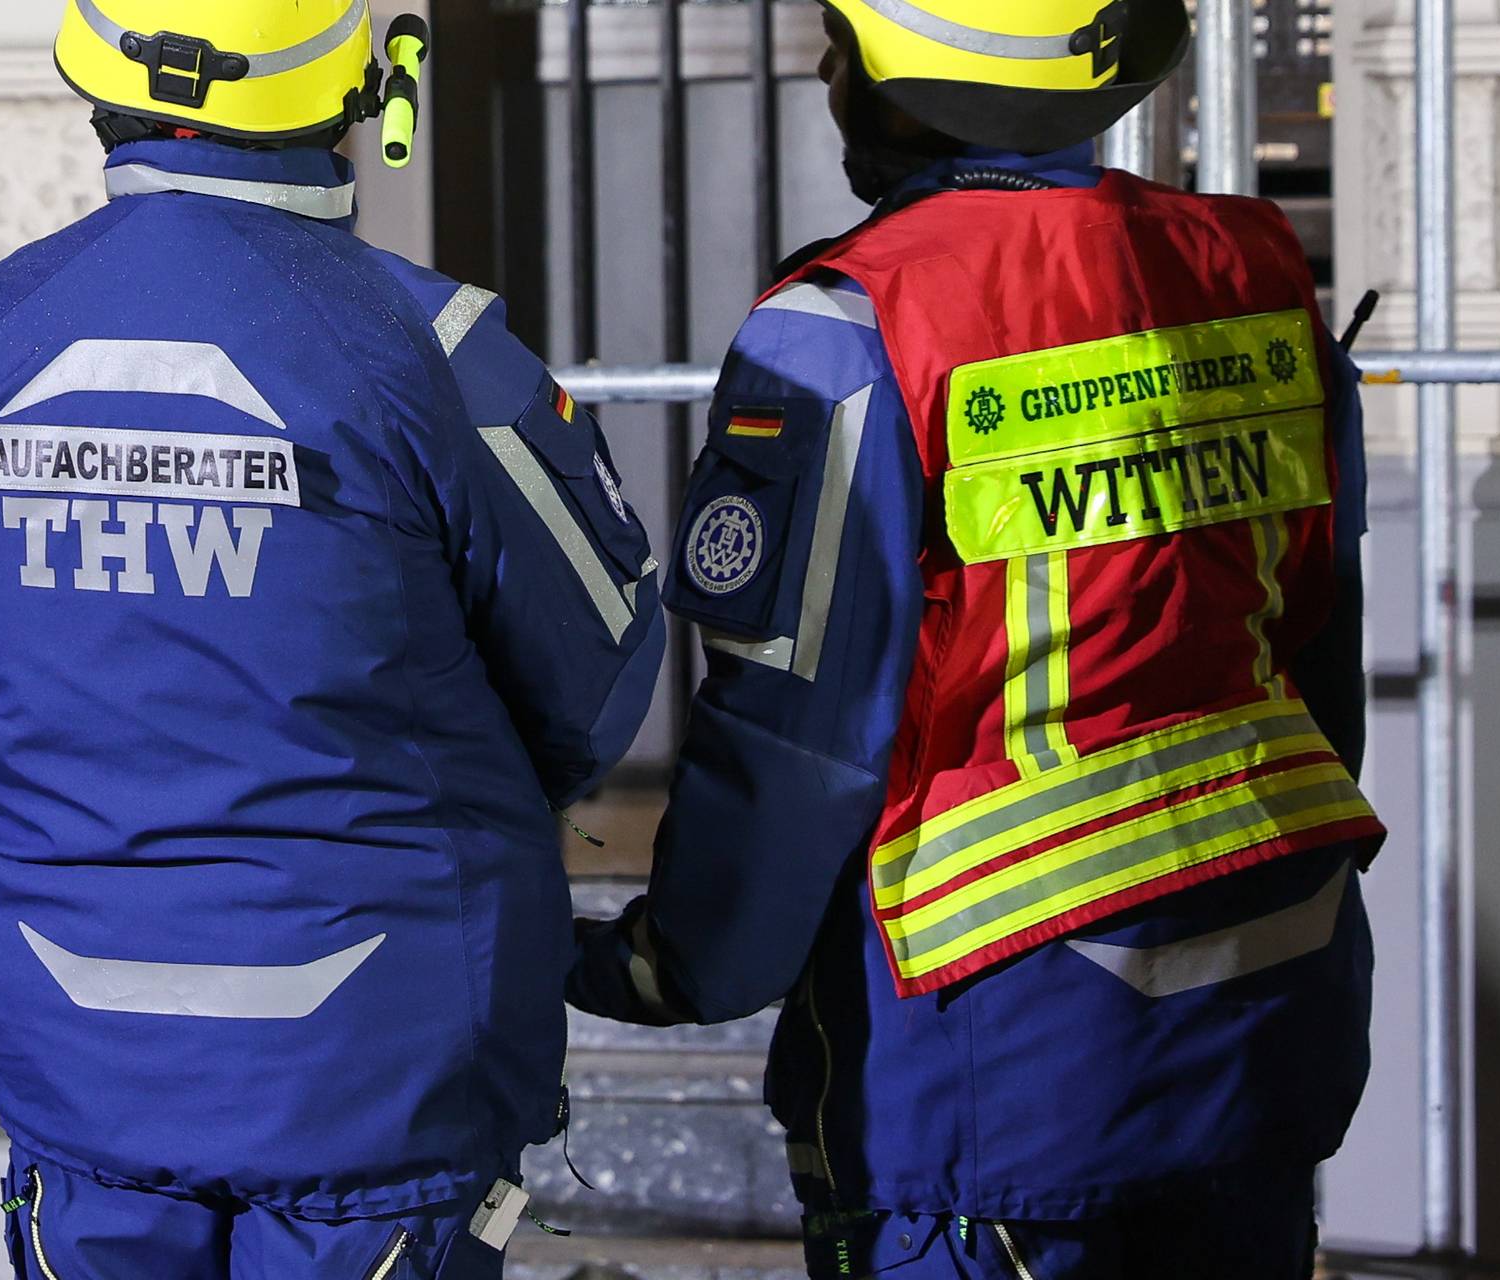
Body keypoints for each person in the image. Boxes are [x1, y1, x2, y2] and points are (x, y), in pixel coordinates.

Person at [566, 0, 1386, 1275]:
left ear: (912, 89)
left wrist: (680, 961)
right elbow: (1319, 631)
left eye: (846, 49)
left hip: (991, 1054)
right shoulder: (1252, 269)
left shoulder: (849, 325)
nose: (828, 72)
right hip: (1269, 992)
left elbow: (799, 740)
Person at [0, 3, 667, 1274]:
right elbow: (594, 682)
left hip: (75, 1049)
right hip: (377, 1063)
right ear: (361, 92)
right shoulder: (436, 349)